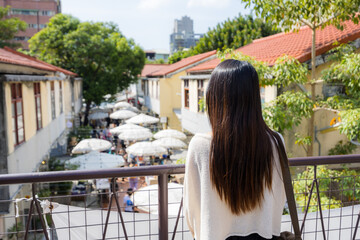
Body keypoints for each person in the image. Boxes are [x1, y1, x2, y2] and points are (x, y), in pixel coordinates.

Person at [183, 60, 286, 240]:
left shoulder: (200, 145)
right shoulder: (276, 141)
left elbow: (192, 207)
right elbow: (279, 196)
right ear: (254, 97)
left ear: (213, 98)